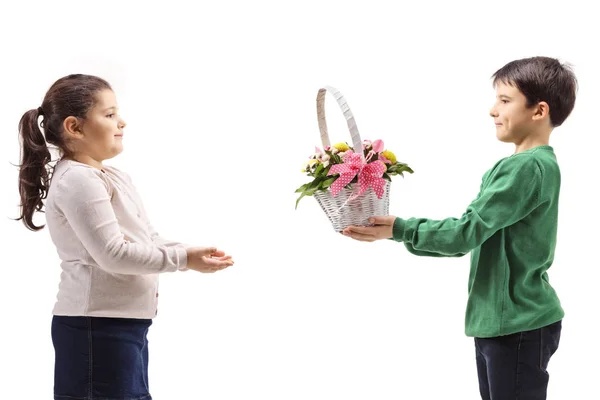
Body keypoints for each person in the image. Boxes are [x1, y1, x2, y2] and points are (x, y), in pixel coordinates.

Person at [342, 56, 577, 400]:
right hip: (506, 322)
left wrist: (400, 228)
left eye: (505, 100)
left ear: (538, 111)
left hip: (517, 324)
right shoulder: (531, 165)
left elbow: (464, 234)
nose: (493, 110)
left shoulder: (526, 168)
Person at [16, 74, 234, 400]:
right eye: (109, 114)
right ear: (74, 128)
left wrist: (190, 252)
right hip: (96, 327)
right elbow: (113, 254)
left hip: (121, 324)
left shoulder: (111, 176)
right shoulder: (78, 180)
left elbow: (146, 237)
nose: (122, 122)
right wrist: (183, 260)